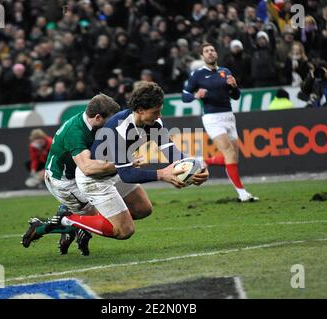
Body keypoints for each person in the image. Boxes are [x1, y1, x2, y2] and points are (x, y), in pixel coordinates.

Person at [56, 82, 209, 241]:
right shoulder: (118, 128)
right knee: (124, 231)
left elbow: (172, 152)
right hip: (95, 179)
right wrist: (162, 174)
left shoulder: (153, 123)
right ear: (140, 110)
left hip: (116, 170)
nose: (160, 115)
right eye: (155, 111)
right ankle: (68, 220)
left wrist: (197, 166)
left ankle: (96, 222)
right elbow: (127, 174)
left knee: (143, 209)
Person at [21, 94, 121, 255]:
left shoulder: (88, 122)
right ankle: (40, 228)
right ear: (97, 117)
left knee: (104, 212)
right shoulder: (75, 132)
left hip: (76, 174)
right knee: (100, 219)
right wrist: (122, 165)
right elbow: (87, 167)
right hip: (64, 182)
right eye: (110, 120)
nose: (113, 124)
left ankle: (72, 225)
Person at [182, 43, 258, 202]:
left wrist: (235, 86)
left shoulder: (226, 71)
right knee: (229, 153)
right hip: (212, 118)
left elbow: (236, 96)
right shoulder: (198, 75)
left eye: (212, 50)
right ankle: (242, 193)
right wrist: (196, 95)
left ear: (216, 53)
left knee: (233, 158)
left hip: (229, 116)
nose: (210, 53)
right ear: (202, 56)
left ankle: (203, 161)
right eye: (207, 51)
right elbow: (184, 96)